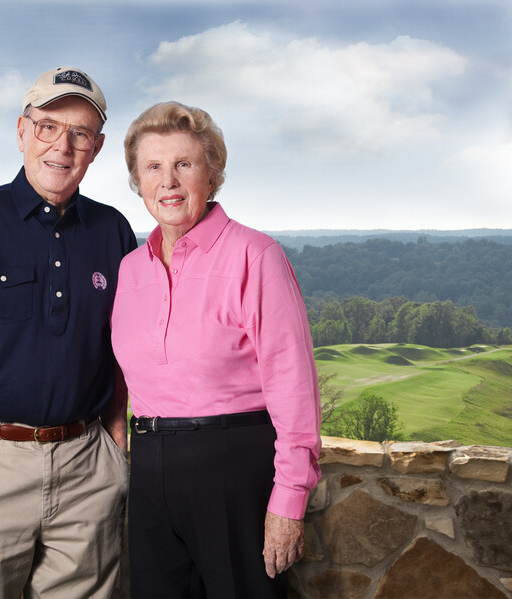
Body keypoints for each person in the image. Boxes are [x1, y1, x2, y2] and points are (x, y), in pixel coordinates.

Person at [0, 66, 137, 599]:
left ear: (97, 147)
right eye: (48, 126)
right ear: (21, 131)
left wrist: (115, 448)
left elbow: (125, 350)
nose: (63, 145)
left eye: (81, 132)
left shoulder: (114, 231)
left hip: (88, 469)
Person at [111, 101, 321, 598]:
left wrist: (289, 500)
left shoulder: (256, 255)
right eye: (153, 168)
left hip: (233, 468)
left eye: (184, 164)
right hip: (151, 468)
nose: (169, 182)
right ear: (138, 181)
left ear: (212, 173)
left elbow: (294, 386)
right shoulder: (129, 271)